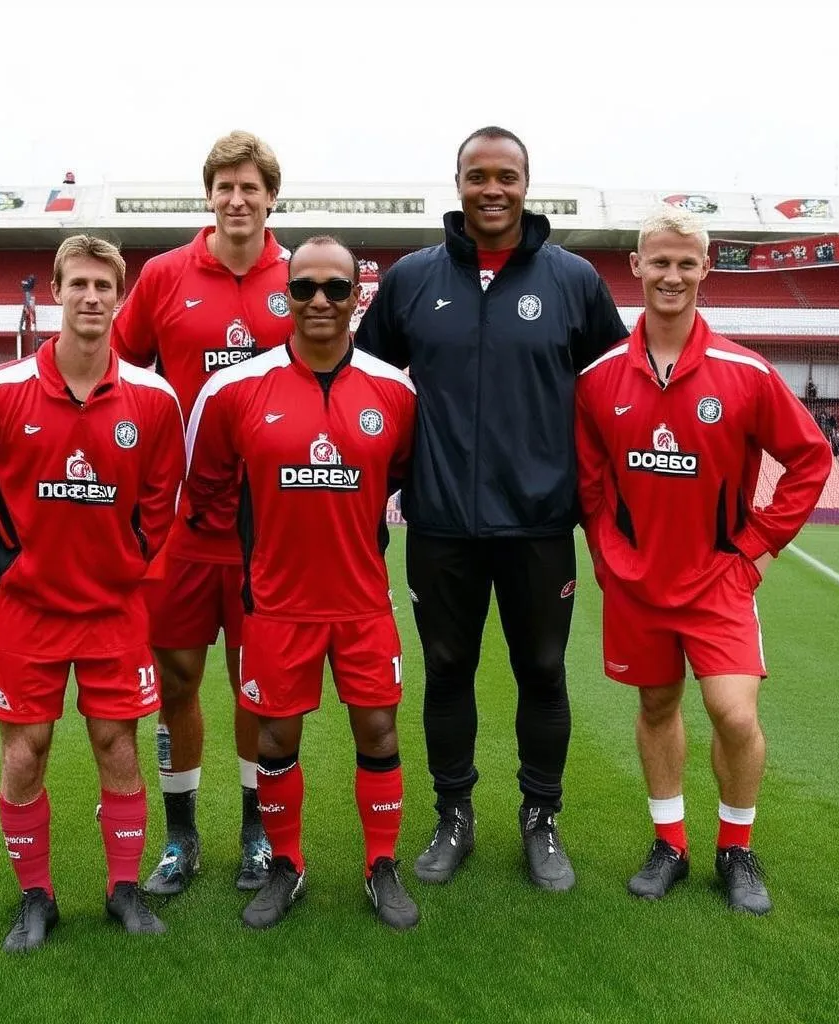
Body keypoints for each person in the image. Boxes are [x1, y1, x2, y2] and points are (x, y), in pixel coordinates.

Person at [356, 126, 627, 892]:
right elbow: (365, 386)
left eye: (506, 175)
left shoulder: (574, 281)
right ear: (458, 183)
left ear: (527, 183)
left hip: (540, 525)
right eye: (478, 176)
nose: (492, 189)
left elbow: (614, 397)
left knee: (542, 671)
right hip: (440, 524)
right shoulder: (412, 279)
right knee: (447, 670)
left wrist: (602, 507)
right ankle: (454, 816)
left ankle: (541, 822)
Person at [0, 235, 186, 951]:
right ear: (55, 295)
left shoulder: (154, 400)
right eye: (79, 285)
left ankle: (122, 890)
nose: (92, 297)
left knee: (116, 745)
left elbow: (164, 493)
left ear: (119, 298)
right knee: (25, 753)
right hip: (29, 610)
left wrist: (138, 553)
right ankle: (35, 897)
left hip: (113, 611)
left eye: (104, 285)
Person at [574, 207, 832, 914]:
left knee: (734, 715)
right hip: (635, 583)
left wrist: (754, 549)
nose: (672, 275)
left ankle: (736, 847)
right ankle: (670, 845)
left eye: (686, 263)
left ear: (705, 269)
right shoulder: (597, 379)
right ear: (636, 267)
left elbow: (809, 459)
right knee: (656, 704)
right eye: (659, 261)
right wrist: (607, 556)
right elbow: (592, 483)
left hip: (718, 578)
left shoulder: (743, 373)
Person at [186, 236, 418, 930]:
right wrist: (263, 561)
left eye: (336, 288)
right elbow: (207, 488)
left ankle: (382, 864)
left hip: (360, 601)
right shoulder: (233, 389)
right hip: (278, 606)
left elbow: (402, 473)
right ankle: (287, 866)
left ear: (357, 297)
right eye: (306, 287)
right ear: (285, 295)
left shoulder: (395, 390)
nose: (320, 300)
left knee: (378, 729)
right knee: (276, 739)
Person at [113, 130, 293, 895]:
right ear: (209, 194)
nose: (237, 197)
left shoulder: (305, 279)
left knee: (261, 686)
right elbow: (122, 376)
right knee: (178, 680)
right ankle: (181, 838)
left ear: (270, 196)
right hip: (182, 532)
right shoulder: (162, 276)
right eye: (224, 185)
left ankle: (258, 832)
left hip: (269, 536)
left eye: (250, 186)